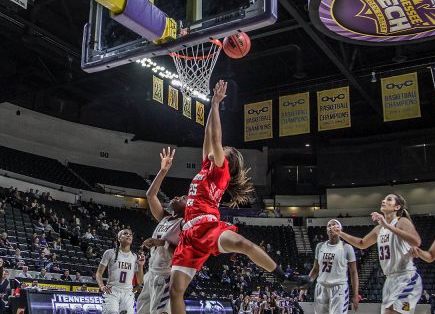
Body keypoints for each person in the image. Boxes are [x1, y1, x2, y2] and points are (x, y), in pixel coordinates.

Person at [169, 80, 311, 314]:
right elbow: (208, 137)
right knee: (176, 290)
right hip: (189, 235)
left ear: (229, 159)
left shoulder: (221, 171)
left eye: (224, 149)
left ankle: (282, 277)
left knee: (244, 244)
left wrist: (215, 104)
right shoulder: (207, 167)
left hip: (207, 226)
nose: (220, 148)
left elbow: (215, 139)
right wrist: (210, 109)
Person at [334, 194, 422, 314]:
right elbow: (362, 243)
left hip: (406, 276)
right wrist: (340, 233)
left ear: (397, 207)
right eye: (384, 199)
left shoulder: (401, 221)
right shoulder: (379, 229)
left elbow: (416, 241)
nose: (383, 201)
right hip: (390, 280)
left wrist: (387, 225)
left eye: (389, 199)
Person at [136, 147, 184, 314]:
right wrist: (163, 171)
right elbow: (151, 195)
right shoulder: (165, 217)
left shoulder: (184, 223)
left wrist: (160, 242)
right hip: (152, 272)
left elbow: (183, 251)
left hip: (166, 274)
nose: (178, 196)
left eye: (183, 198)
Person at [309, 219, 359, 314]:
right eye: (329, 225)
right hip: (321, 287)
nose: (332, 227)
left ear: (341, 229)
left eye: (335, 225)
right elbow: (315, 269)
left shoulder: (347, 248)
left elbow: (353, 272)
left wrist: (355, 294)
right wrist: (305, 286)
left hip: (339, 288)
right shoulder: (320, 246)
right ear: (326, 230)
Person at [96, 229, 145, 314]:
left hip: (128, 293)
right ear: (119, 238)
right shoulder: (109, 253)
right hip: (112, 291)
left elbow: (140, 281)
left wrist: (140, 266)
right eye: (125, 234)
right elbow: (98, 273)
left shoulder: (135, 257)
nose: (128, 235)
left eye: (130, 234)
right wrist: (102, 286)